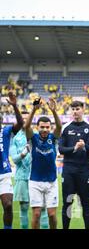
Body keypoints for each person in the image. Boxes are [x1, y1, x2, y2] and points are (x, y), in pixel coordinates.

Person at [59, 100, 89, 229]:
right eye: (73, 109)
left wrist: (85, 146)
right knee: (68, 202)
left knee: (86, 203)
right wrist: (74, 148)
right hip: (69, 170)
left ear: (83, 109)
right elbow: (61, 149)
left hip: (84, 170)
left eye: (77, 109)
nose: (75, 112)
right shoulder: (66, 127)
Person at [24, 98, 61, 229]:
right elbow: (26, 127)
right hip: (35, 181)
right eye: (42, 127)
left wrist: (54, 111)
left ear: (50, 128)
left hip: (52, 181)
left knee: (52, 215)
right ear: (37, 127)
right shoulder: (33, 138)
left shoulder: (53, 138)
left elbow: (60, 127)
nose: (45, 129)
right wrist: (34, 110)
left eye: (47, 127)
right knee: (37, 214)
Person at [10, 110, 49, 229]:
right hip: (22, 177)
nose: (25, 121)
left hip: (38, 176)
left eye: (28, 118)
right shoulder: (15, 139)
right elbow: (15, 159)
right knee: (24, 208)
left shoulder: (37, 135)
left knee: (42, 208)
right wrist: (23, 153)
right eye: (23, 118)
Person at [0, 92, 24, 229]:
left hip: (4, 173)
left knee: (8, 205)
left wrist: (15, 106)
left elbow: (21, 123)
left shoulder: (6, 130)